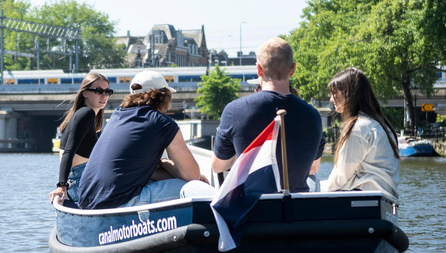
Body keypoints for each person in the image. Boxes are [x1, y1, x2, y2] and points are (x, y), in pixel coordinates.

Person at [78, 70, 205, 210]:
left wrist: (160, 166)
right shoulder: (162, 123)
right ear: (164, 95)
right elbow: (193, 175)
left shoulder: (117, 116)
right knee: (195, 188)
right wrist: (165, 163)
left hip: (88, 204)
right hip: (120, 203)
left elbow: (148, 173)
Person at [211, 38, 325, 192]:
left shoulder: (234, 111)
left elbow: (218, 166)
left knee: (190, 188)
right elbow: (313, 169)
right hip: (295, 209)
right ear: (292, 69)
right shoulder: (313, 116)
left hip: (251, 209)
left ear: (259, 69)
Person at [321, 68, 400, 200]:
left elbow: (341, 177)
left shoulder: (359, 128)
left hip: (364, 199)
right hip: (384, 200)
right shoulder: (381, 125)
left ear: (348, 94)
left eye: (335, 93)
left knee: (310, 187)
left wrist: (315, 189)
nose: (331, 99)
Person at [49, 72, 111, 203]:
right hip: (82, 181)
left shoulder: (83, 115)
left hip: (81, 180)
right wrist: (61, 186)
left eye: (107, 91)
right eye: (99, 91)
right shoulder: (86, 114)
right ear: (85, 93)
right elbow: (69, 151)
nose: (104, 95)